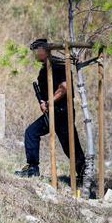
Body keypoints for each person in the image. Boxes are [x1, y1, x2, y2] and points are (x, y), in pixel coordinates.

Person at [15, 39, 86, 182]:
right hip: (52, 111)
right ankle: (33, 168)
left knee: (70, 145)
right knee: (32, 132)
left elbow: (64, 88)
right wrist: (44, 103)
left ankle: (84, 175)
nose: (35, 54)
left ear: (44, 50)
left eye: (37, 50)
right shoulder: (45, 67)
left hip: (62, 112)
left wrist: (48, 102)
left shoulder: (58, 65)